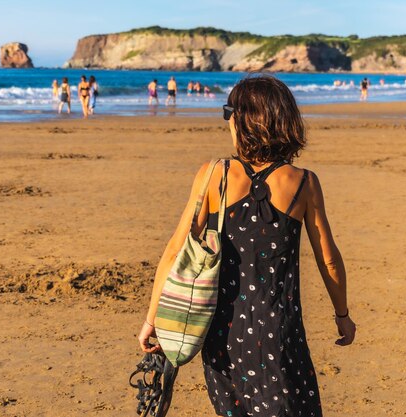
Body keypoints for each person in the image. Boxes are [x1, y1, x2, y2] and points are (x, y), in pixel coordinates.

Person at [138, 74, 356, 417]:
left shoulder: (213, 174)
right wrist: (342, 315)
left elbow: (174, 252)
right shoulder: (303, 183)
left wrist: (154, 319)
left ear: (245, 120)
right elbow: (328, 260)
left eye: (230, 113)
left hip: (222, 333)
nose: (228, 122)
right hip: (279, 332)